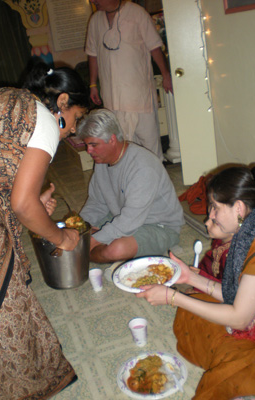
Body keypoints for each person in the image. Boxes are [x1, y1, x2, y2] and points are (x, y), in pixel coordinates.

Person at [0, 59, 89, 398]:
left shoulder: (15, 100)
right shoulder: (45, 121)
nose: (72, 131)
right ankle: (17, 383)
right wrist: (60, 235)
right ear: (62, 102)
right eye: (76, 119)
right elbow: (22, 206)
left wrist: (35, 203)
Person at [137, 165, 255, 399]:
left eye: (216, 209)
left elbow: (240, 318)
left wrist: (173, 298)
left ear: (238, 208)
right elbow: (236, 295)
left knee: (234, 371)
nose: (209, 217)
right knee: (193, 312)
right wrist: (191, 278)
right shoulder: (250, 228)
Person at [76, 108, 184, 264]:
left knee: (116, 249)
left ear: (112, 139)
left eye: (93, 145)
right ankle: (94, 251)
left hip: (159, 226)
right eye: (87, 145)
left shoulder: (142, 167)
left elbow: (130, 219)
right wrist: (81, 226)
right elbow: (96, 203)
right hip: (120, 216)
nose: (88, 151)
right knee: (76, 234)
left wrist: (92, 241)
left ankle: (90, 253)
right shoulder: (101, 161)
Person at [86, 0, 172, 161]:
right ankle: (130, 181)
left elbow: (154, 47)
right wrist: (93, 84)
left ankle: (155, 181)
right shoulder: (95, 21)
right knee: (120, 148)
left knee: (150, 144)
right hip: (112, 99)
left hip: (139, 97)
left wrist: (166, 75)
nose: (93, 1)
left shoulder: (137, 13)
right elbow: (92, 54)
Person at [186, 216, 233, 294]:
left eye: (214, 222)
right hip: (211, 276)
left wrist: (201, 278)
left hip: (222, 291)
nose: (206, 223)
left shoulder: (232, 257)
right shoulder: (219, 239)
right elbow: (209, 262)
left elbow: (229, 289)